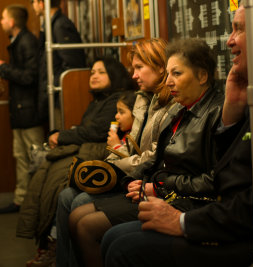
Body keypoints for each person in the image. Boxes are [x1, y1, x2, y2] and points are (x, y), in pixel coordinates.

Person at [101, 2, 253, 267]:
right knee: (111, 238)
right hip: (227, 217)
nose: (229, 41)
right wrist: (230, 120)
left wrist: (180, 220)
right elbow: (230, 178)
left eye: (238, 29)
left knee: (122, 247)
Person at [69, 38, 224, 267]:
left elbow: (212, 181)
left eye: (177, 74)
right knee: (77, 214)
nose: (169, 82)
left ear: (202, 76)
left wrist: (157, 186)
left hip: (186, 202)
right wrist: (138, 182)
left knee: (93, 229)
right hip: (161, 189)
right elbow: (158, 159)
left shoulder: (214, 112)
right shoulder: (180, 109)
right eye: (168, 74)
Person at [55, 38, 174, 267]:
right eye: (133, 69)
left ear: (160, 67)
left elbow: (151, 155)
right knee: (66, 194)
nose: (134, 76)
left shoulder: (170, 104)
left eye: (139, 68)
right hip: (131, 174)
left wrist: (116, 163)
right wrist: (114, 157)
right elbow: (131, 147)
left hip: (142, 180)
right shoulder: (142, 99)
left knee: (79, 205)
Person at [16, 57, 135, 267]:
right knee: (50, 172)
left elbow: (96, 131)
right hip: (90, 149)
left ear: (114, 75)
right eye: (92, 72)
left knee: (63, 184)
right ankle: (52, 245)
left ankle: (54, 244)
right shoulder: (97, 101)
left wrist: (62, 137)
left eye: (101, 72)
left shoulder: (118, 99)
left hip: (100, 155)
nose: (94, 76)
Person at [0, 4, 44, 213]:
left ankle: (34, 201)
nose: (1, 23)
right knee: (21, 156)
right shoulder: (17, 41)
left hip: (28, 110)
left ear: (11, 22)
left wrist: (3, 68)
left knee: (34, 157)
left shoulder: (26, 41)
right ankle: (21, 199)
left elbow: (29, 77)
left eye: (3, 18)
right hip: (20, 110)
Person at [31, 0, 86, 127]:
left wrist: (54, 85)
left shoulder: (60, 25)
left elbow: (72, 64)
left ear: (41, 3)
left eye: (33, 1)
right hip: (57, 94)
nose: (32, 5)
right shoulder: (51, 25)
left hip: (61, 95)